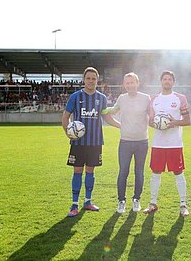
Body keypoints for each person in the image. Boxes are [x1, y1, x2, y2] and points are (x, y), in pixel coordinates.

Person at [62, 67, 120, 217]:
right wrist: (68, 133)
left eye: (93, 78)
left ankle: (87, 202)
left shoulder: (102, 98)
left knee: (90, 171)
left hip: (95, 142)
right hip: (78, 143)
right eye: (88, 78)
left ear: (97, 80)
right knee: (77, 171)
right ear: (84, 79)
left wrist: (121, 125)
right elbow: (65, 116)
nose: (91, 81)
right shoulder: (75, 97)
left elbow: (106, 117)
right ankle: (74, 205)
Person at [143, 70, 191, 217]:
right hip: (158, 143)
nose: (167, 81)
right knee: (155, 172)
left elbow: (187, 121)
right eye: (165, 79)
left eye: (170, 79)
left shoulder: (180, 98)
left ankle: (183, 205)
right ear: (161, 81)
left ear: (173, 82)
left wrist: (174, 122)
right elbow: (150, 121)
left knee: (178, 172)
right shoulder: (154, 99)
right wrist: (158, 125)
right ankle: (152, 203)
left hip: (175, 143)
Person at [109, 72, 150, 214]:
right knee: (123, 172)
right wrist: (100, 109)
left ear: (137, 83)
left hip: (142, 142)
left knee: (139, 172)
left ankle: (136, 199)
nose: (130, 85)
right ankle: (121, 201)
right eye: (127, 83)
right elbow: (112, 111)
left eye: (132, 82)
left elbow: (153, 115)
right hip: (125, 142)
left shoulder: (146, 98)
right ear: (124, 85)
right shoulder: (121, 98)